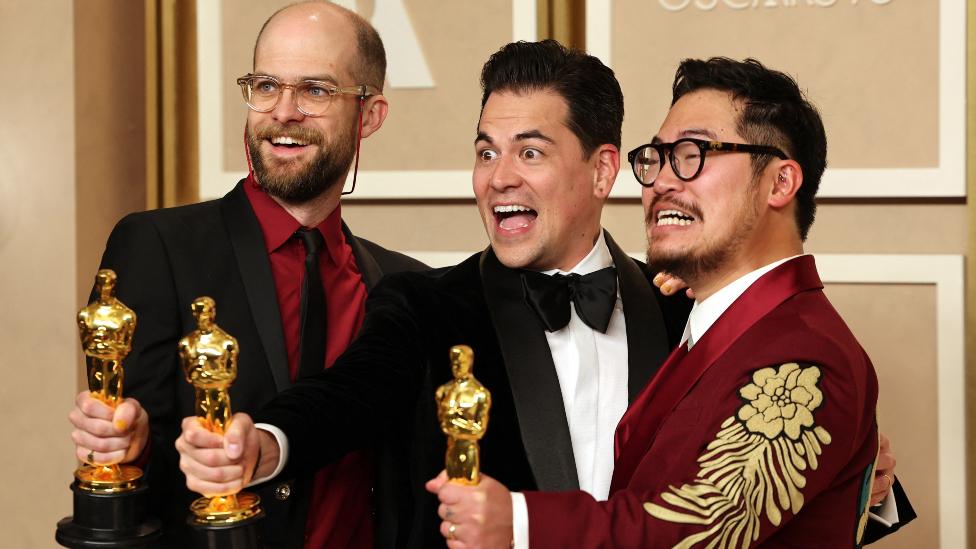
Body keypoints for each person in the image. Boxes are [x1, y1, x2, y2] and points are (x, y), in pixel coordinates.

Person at [175, 39, 693, 549]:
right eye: (487, 152)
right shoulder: (425, 306)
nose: (499, 178)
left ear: (602, 170)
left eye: (530, 152)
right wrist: (266, 444)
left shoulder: (683, 307)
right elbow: (348, 393)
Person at [429, 57, 916, 547]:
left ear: (780, 182)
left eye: (693, 154)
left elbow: (708, 521)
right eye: (657, 158)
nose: (661, 180)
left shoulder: (805, 352)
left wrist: (519, 523)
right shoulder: (703, 321)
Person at [66, 2, 426, 547]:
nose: (283, 111)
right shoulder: (156, 246)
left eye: (315, 90)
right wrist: (133, 444)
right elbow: (136, 482)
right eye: (265, 85)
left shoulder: (402, 287)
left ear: (370, 115)